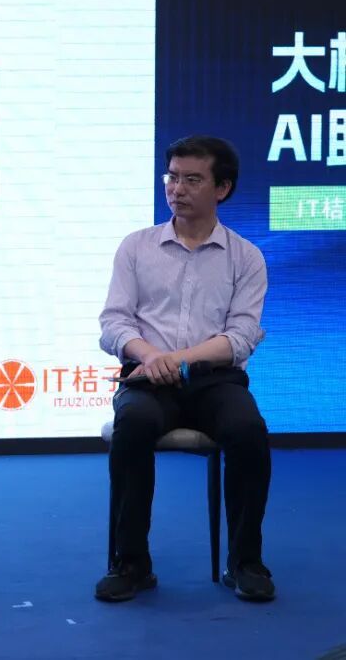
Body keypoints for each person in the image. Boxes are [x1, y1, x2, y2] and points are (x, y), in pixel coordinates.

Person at [96, 136, 273, 603]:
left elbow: (241, 336)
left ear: (223, 188)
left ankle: (245, 562)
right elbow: (114, 323)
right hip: (147, 380)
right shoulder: (137, 247)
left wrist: (176, 359)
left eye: (193, 179)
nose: (177, 189)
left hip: (215, 382)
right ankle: (131, 563)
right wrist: (150, 358)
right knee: (133, 424)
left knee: (248, 430)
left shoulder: (246, 258)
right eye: (172, 177)